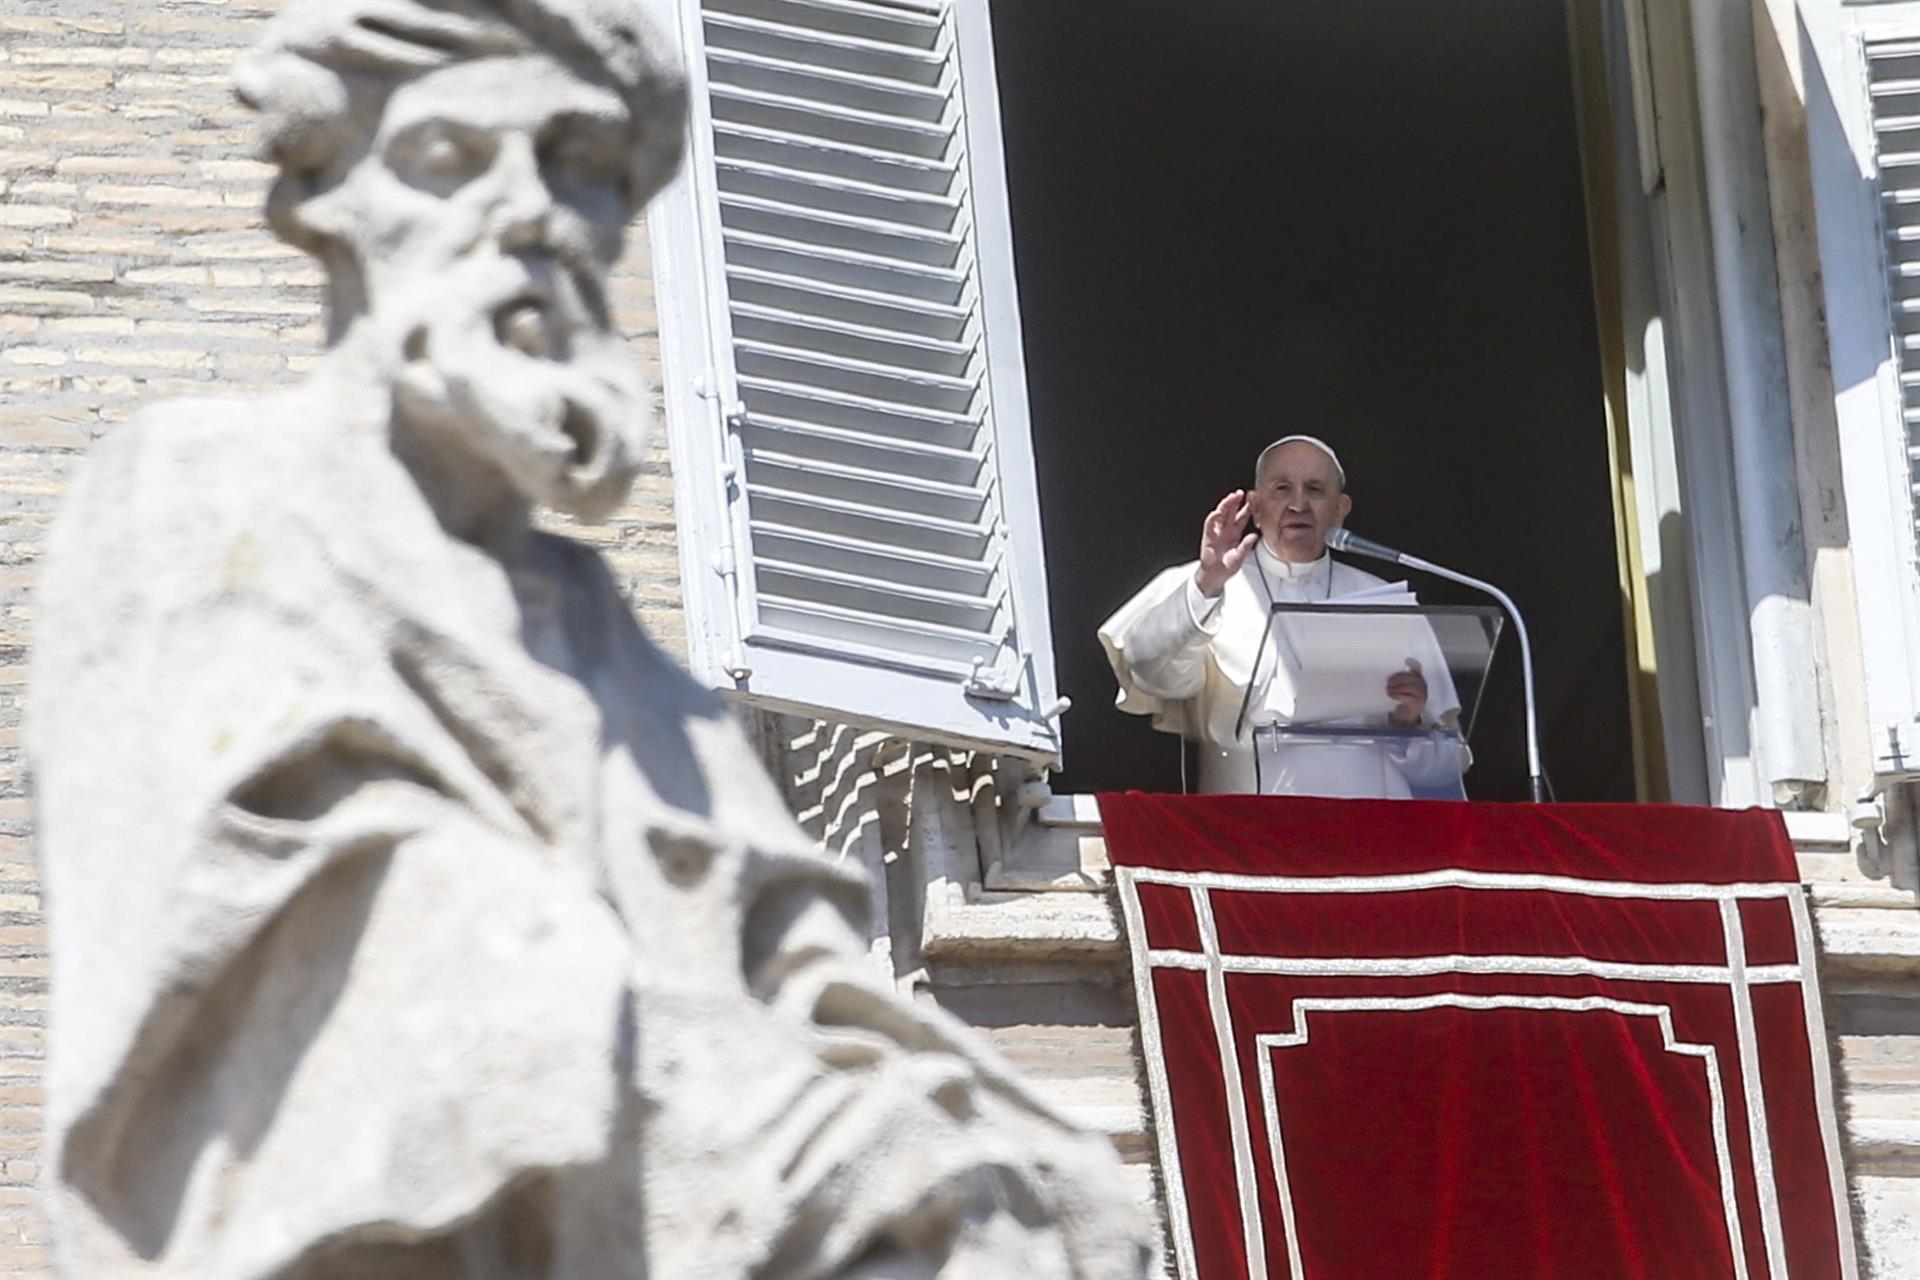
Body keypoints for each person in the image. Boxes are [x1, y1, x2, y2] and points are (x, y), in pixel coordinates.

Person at [26, 4, 1145, 1278]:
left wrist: (961, 1139)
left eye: (579, 168)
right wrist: (699, 1063)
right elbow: (264, 906)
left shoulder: (625, 661)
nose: (529, 211)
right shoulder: (193, 493)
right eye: (452, 156)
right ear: (328, 192)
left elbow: (803, 972)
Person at [1099, 435, 1468, 798]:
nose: (1298, 504)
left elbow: (1447, 769)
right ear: (1255, 509)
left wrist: (1408, 724)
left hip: (1371, 837)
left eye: (1315, 490)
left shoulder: (1386, 602)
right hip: (1248, 837)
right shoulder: (1206, 583)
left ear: (1340, 510)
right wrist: (1206, 585)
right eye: (1282, 489)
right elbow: (1149, 671)